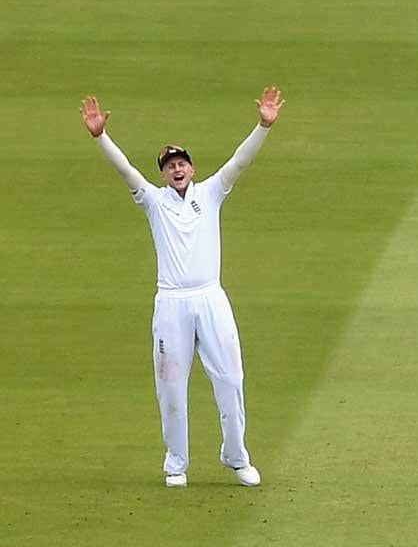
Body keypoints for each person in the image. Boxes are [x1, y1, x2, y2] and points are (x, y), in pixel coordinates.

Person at [81, 87, 282, 488]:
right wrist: (101, 137)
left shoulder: (211, 193)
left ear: (191, 167)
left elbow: (239, 162)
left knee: (230, 377)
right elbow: (125, 172)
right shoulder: (154, 202)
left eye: (181, 163)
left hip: (210, 297)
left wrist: (263, 126)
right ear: (162, 172)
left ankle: (236, 456)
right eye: (169, 165)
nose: (176, 169)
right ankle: (176, 464)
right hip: (172, 302)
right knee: (171, 385)